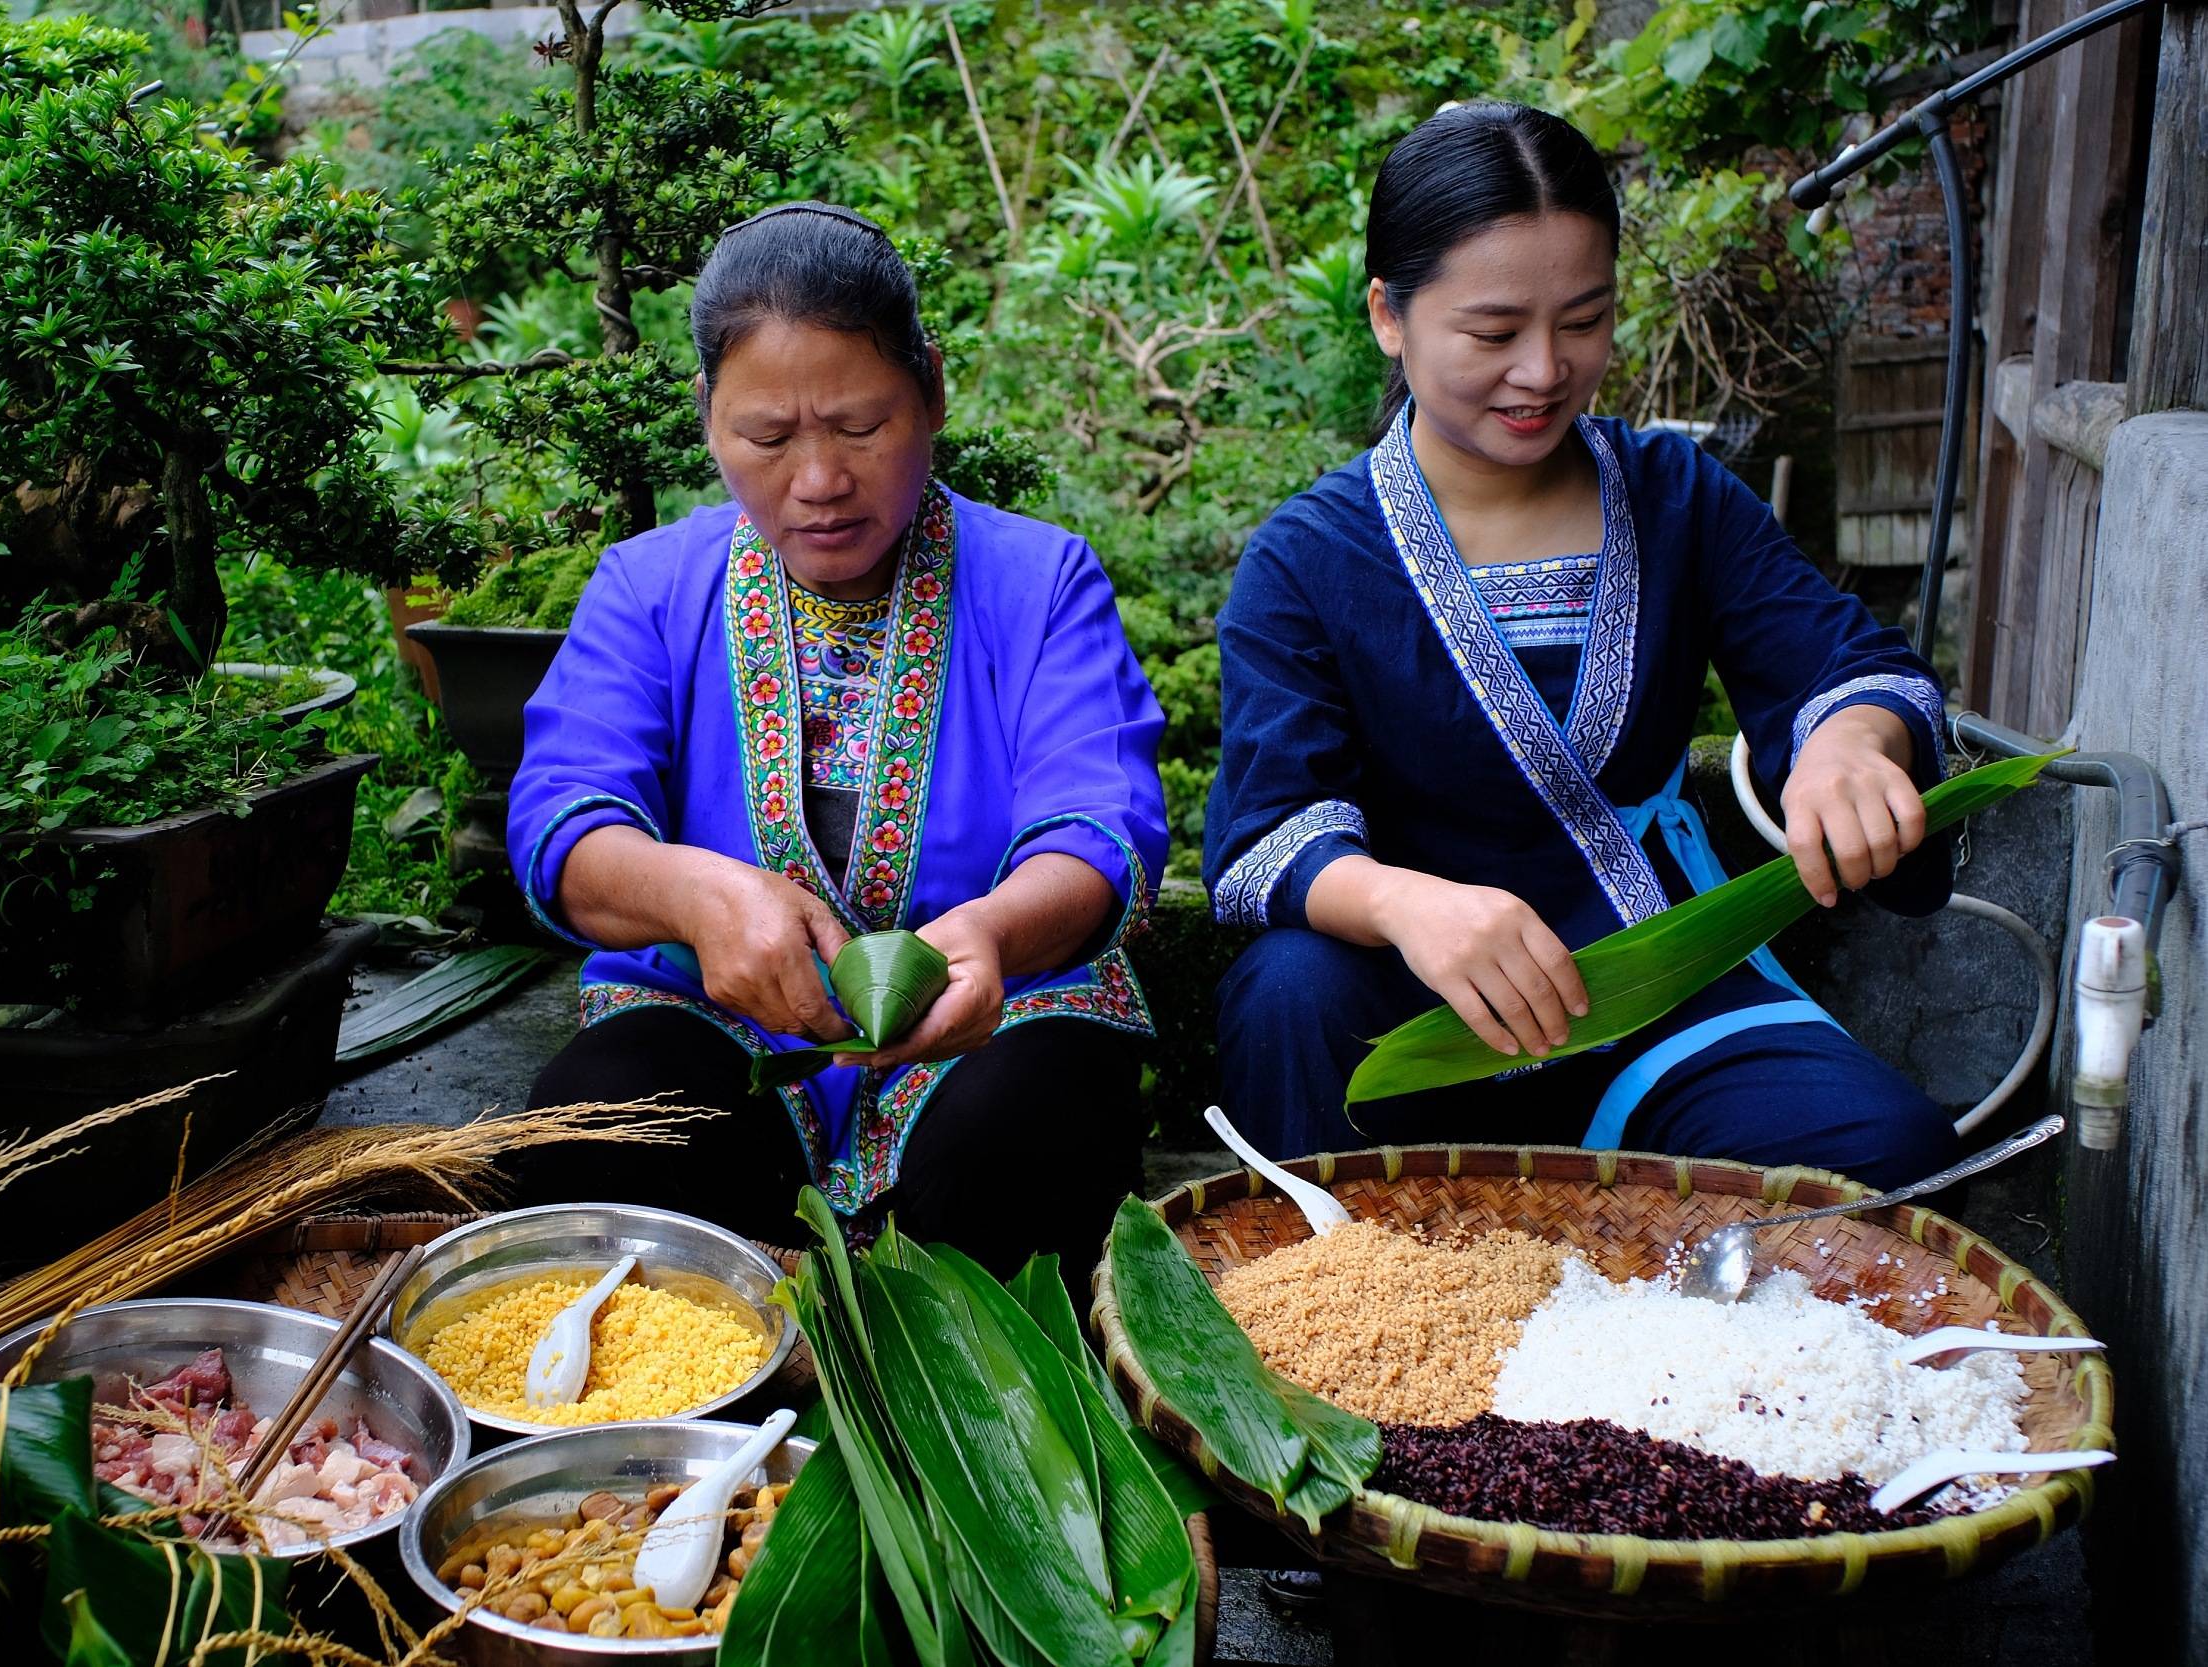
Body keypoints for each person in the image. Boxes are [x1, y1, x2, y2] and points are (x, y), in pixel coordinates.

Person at [1205, 102, 1959, 1190]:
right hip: (1413, 1004)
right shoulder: (1306, 559)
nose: (1544, 370)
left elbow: (1837, 662)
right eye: (1493, 331)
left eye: (1585, 319)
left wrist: (1852, 742)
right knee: (1286, 988)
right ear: (1388, 315)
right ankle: (1329, 1334)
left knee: (1887, 1155)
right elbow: (1270, 831)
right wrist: (1407, 903)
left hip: (1652, 984)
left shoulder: (1679, 497)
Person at [508, 202, 1168, 1278]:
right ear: (707, 415)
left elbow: (1102, 822)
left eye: (861, 426)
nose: (817, 480)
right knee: (597, 1126)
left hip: (997, 1014)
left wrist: (996, 934)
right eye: (766, 437)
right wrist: (695, 898)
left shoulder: (1039, 582)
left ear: (933, 390)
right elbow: (562, 819)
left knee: (1031, 1132)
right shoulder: (646, 587)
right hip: (717, 1022)